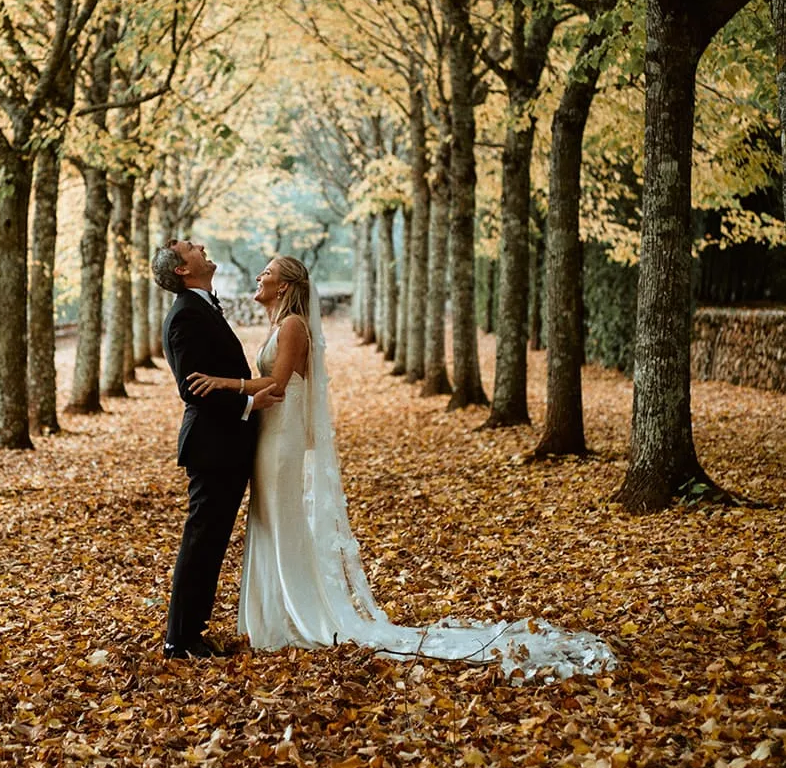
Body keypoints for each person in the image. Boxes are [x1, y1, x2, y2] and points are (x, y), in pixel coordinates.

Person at [188, 255, 615, 678]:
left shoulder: (294, 325)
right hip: (268, 438)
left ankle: (299, 616)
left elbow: (278, 386)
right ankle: (272, 617)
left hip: (281, 442)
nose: (259, 275)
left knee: (282, 522)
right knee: (268, 522)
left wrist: (227, 383)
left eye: (267, 272)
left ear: (284, 286)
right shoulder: (279, 325)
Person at [151, 239, 281, 659]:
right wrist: (248, 402)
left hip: (226, 441)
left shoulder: (202, 306)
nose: (201, 247)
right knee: (202, 540)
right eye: (191, 247)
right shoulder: (185, 315)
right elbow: (193, 387)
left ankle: (191, 632)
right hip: (212, 443)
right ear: (182, 271)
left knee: (211, 540)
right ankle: (180, 638)